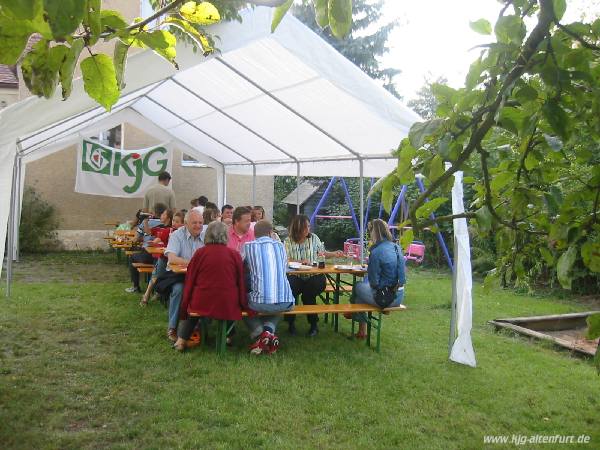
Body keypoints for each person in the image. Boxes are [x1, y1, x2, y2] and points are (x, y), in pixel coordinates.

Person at [174, 221, 248, 351]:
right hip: (226, 302)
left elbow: (190, 280)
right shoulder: (234, 254)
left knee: (192, 308)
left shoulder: (199, 253)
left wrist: (186, 302)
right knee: (228, 301)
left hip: (202, 300)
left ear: (207, 235)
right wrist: (242, 302)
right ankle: (228, 337)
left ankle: (181, 340)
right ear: (226, 236)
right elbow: (240, 281)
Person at [284, 214, 343, 337]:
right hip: (296, 275)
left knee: (308, 294)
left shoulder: (314, 238)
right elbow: (286, 260)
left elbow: (322, 253)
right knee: (291, 292)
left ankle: (313, 325)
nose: (308, 230)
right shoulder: (288, 241)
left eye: (309, 226)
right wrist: (300, 262)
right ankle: (290, 323)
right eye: (305, 227)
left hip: (314, 275)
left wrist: (334, 253)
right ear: (297, 228)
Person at [242, 220, 294, 355]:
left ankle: (260, 333)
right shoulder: (281, 246)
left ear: (254, 234)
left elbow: (240, 267)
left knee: (240, 300)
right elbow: (285, 268)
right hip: (286, 302)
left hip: (259, 303)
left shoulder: (248, 246)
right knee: (278, 298)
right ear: (271, 233)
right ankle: (269, 331)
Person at [348, 219, 406, 338]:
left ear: (373, 233)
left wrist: (369, 272)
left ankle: (353, 311)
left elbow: (374, 282)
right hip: (399, 296)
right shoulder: (396, 247)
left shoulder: (376, 251)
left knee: (358, 286)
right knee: (361, 294)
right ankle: (361, 332)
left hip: (384, 298)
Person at [163, 209, 205, 341]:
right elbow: (172, 258)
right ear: (186, 223)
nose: (198, 226)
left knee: (205, 291)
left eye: (200, 222)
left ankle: (198, 326)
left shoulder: (206, 236)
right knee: (179, 290)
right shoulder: (177, 235)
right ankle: (172, 327)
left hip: (198, 277)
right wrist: (193, 263)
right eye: (194, 223)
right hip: (179, 276)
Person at [140, 211, 184, 306]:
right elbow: (158, 239)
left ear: (183, 224)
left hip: (177, 261)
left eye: (177, 221)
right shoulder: (168, 231)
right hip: (164, 258)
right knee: (155, 276)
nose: (174, 223)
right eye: (173, 220)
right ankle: (146, 295)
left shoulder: (184, 234)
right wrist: (154, 243)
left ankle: (161, 295)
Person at [125, 203, 168, 294]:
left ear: (154, 212)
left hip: (148, 255)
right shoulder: (166, 224)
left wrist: (128, 239)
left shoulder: (146, 222)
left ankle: (135, 287)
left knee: (132, 257)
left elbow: (136, 239)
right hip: (161, 256)